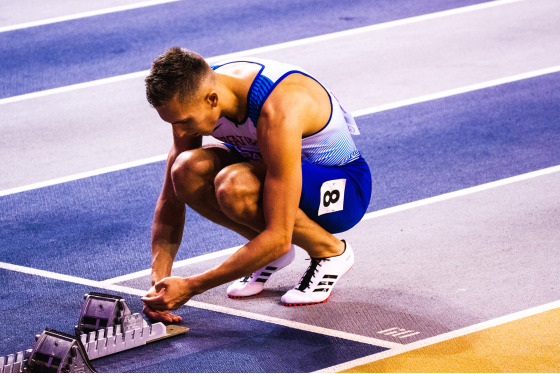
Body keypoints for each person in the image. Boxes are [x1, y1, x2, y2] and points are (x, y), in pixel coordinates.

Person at [141, 47, 372, 322]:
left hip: (343, 190)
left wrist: (192, 286)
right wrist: (158, 283)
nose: (179, 131)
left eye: (183, 122)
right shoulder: (196, 96)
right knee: (185, 170)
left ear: (212, 100)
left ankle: (331, 252)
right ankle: (266, 254)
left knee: (235, 186)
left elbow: (278, 235)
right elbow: (170, 199)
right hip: (275, 175)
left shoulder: (278, 108)